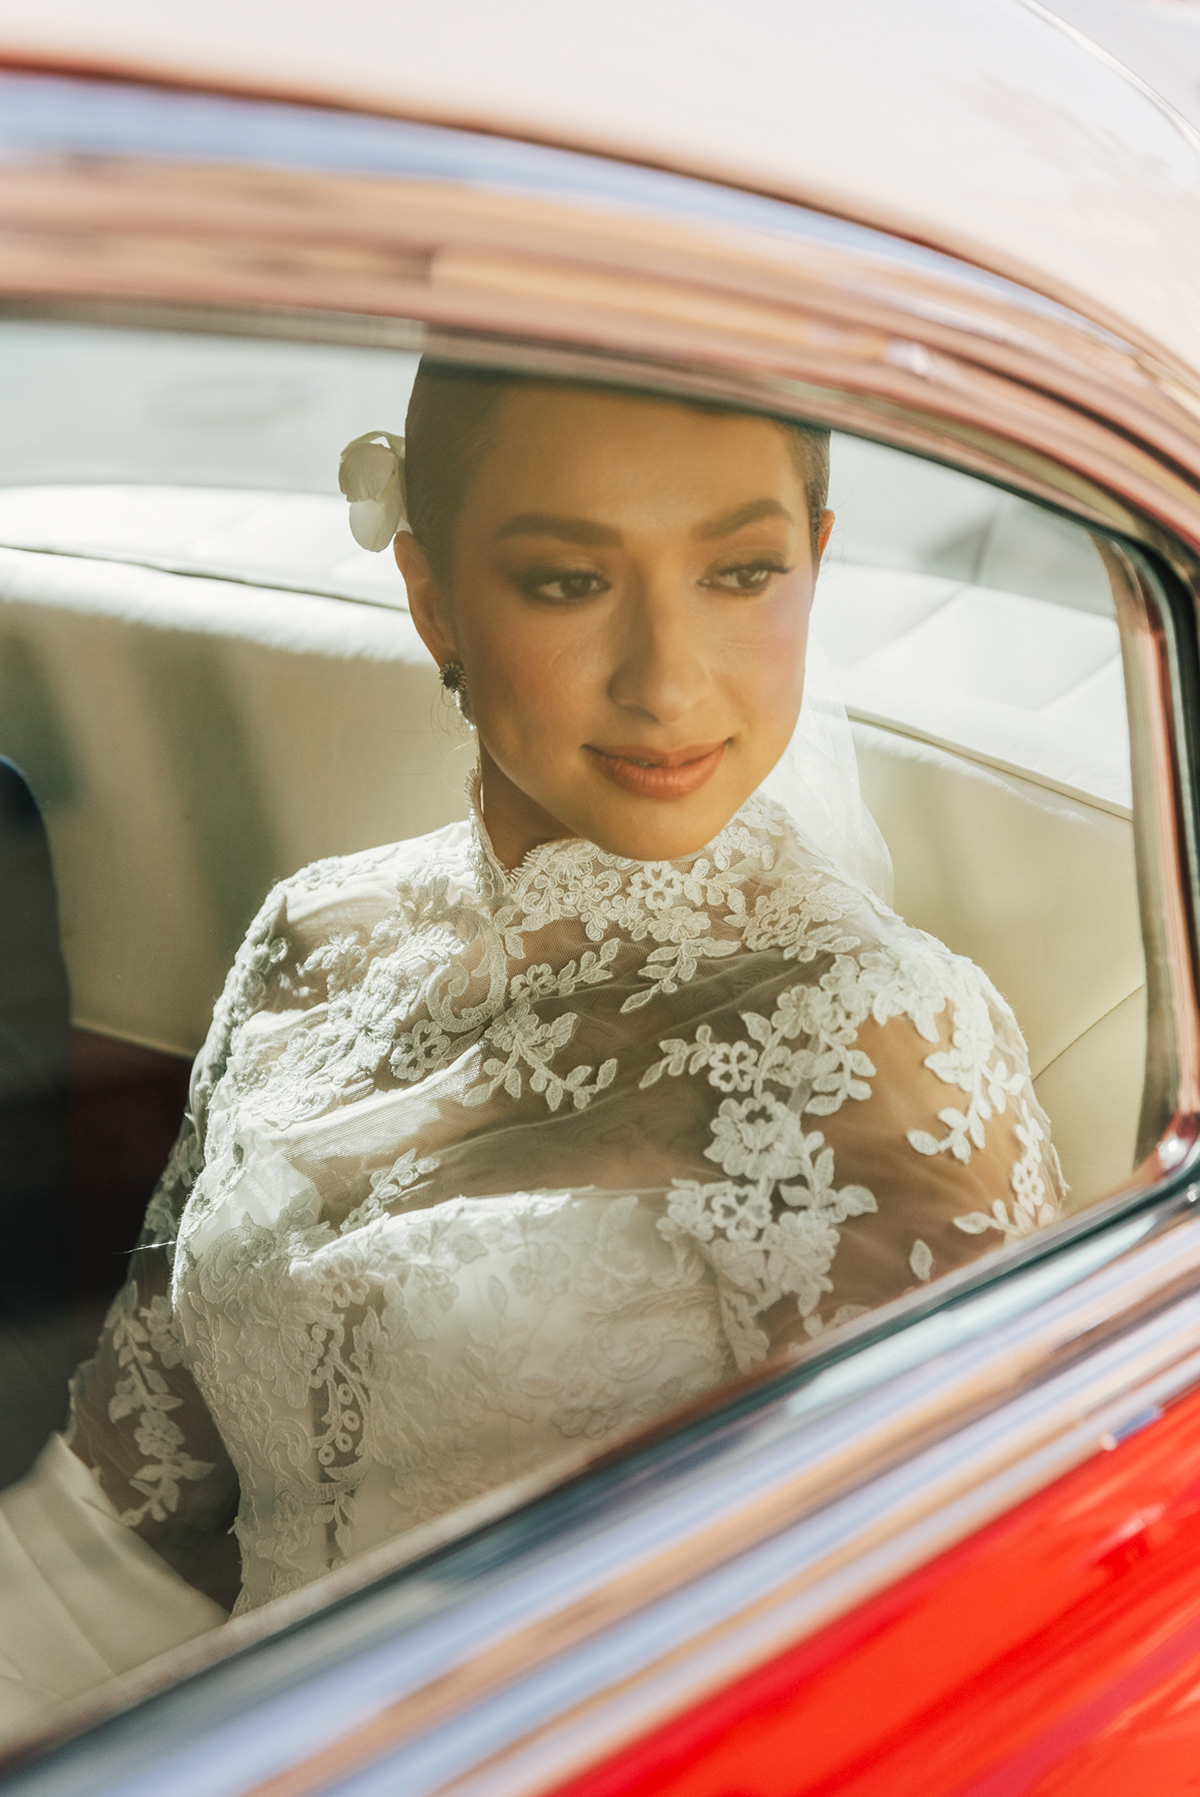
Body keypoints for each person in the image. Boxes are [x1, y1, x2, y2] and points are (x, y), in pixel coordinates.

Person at [0, 367, 1063, 1722]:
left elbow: (941, 1679)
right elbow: (114, 1523)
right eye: (570, 581)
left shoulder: (878, 1048)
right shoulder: (312, 937)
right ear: (432, 596)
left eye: (742, 573)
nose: (666, 680)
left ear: (816, 563)